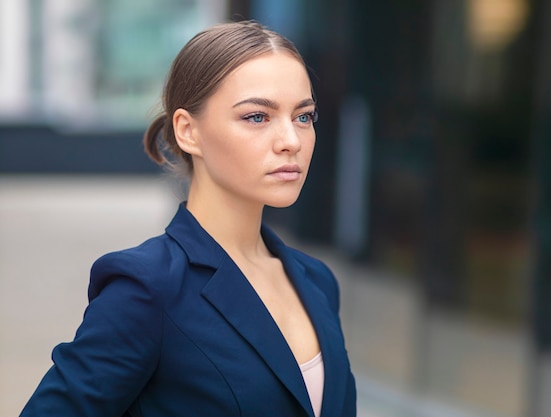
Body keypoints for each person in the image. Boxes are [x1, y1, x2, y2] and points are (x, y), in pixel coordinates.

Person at [20, 20, 356, 417]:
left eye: (304, 116)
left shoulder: (316, 282)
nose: (291, 141)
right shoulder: (148, 289)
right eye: (257, 117)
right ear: (187, 131)